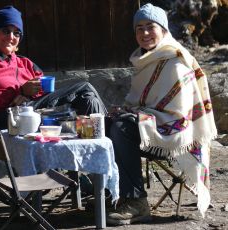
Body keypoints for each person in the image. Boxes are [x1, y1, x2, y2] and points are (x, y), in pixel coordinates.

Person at [0, 5, 106, 209]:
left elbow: (45, 91)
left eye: (17, 33)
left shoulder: (25, 63)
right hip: (3, 119)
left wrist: (27, 93)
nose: (11, 37)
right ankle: (104, 172)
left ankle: (100, 177)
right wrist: (17, 91)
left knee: (87, 98)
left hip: (34, 114)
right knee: (85, 89)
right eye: (5, 30)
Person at [106, 3, 217, 226]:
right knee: (106, 123)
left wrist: (138, 115)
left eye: (150, 26)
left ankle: (137, 201)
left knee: (122, 128)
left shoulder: (175, 61)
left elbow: (178, 113)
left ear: (164, 30)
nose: (144, 33)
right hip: (152, 122)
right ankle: (110, 192)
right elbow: (142, 102)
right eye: (139, 28)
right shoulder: (144, 59)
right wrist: (130, 111)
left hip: (176, 129)